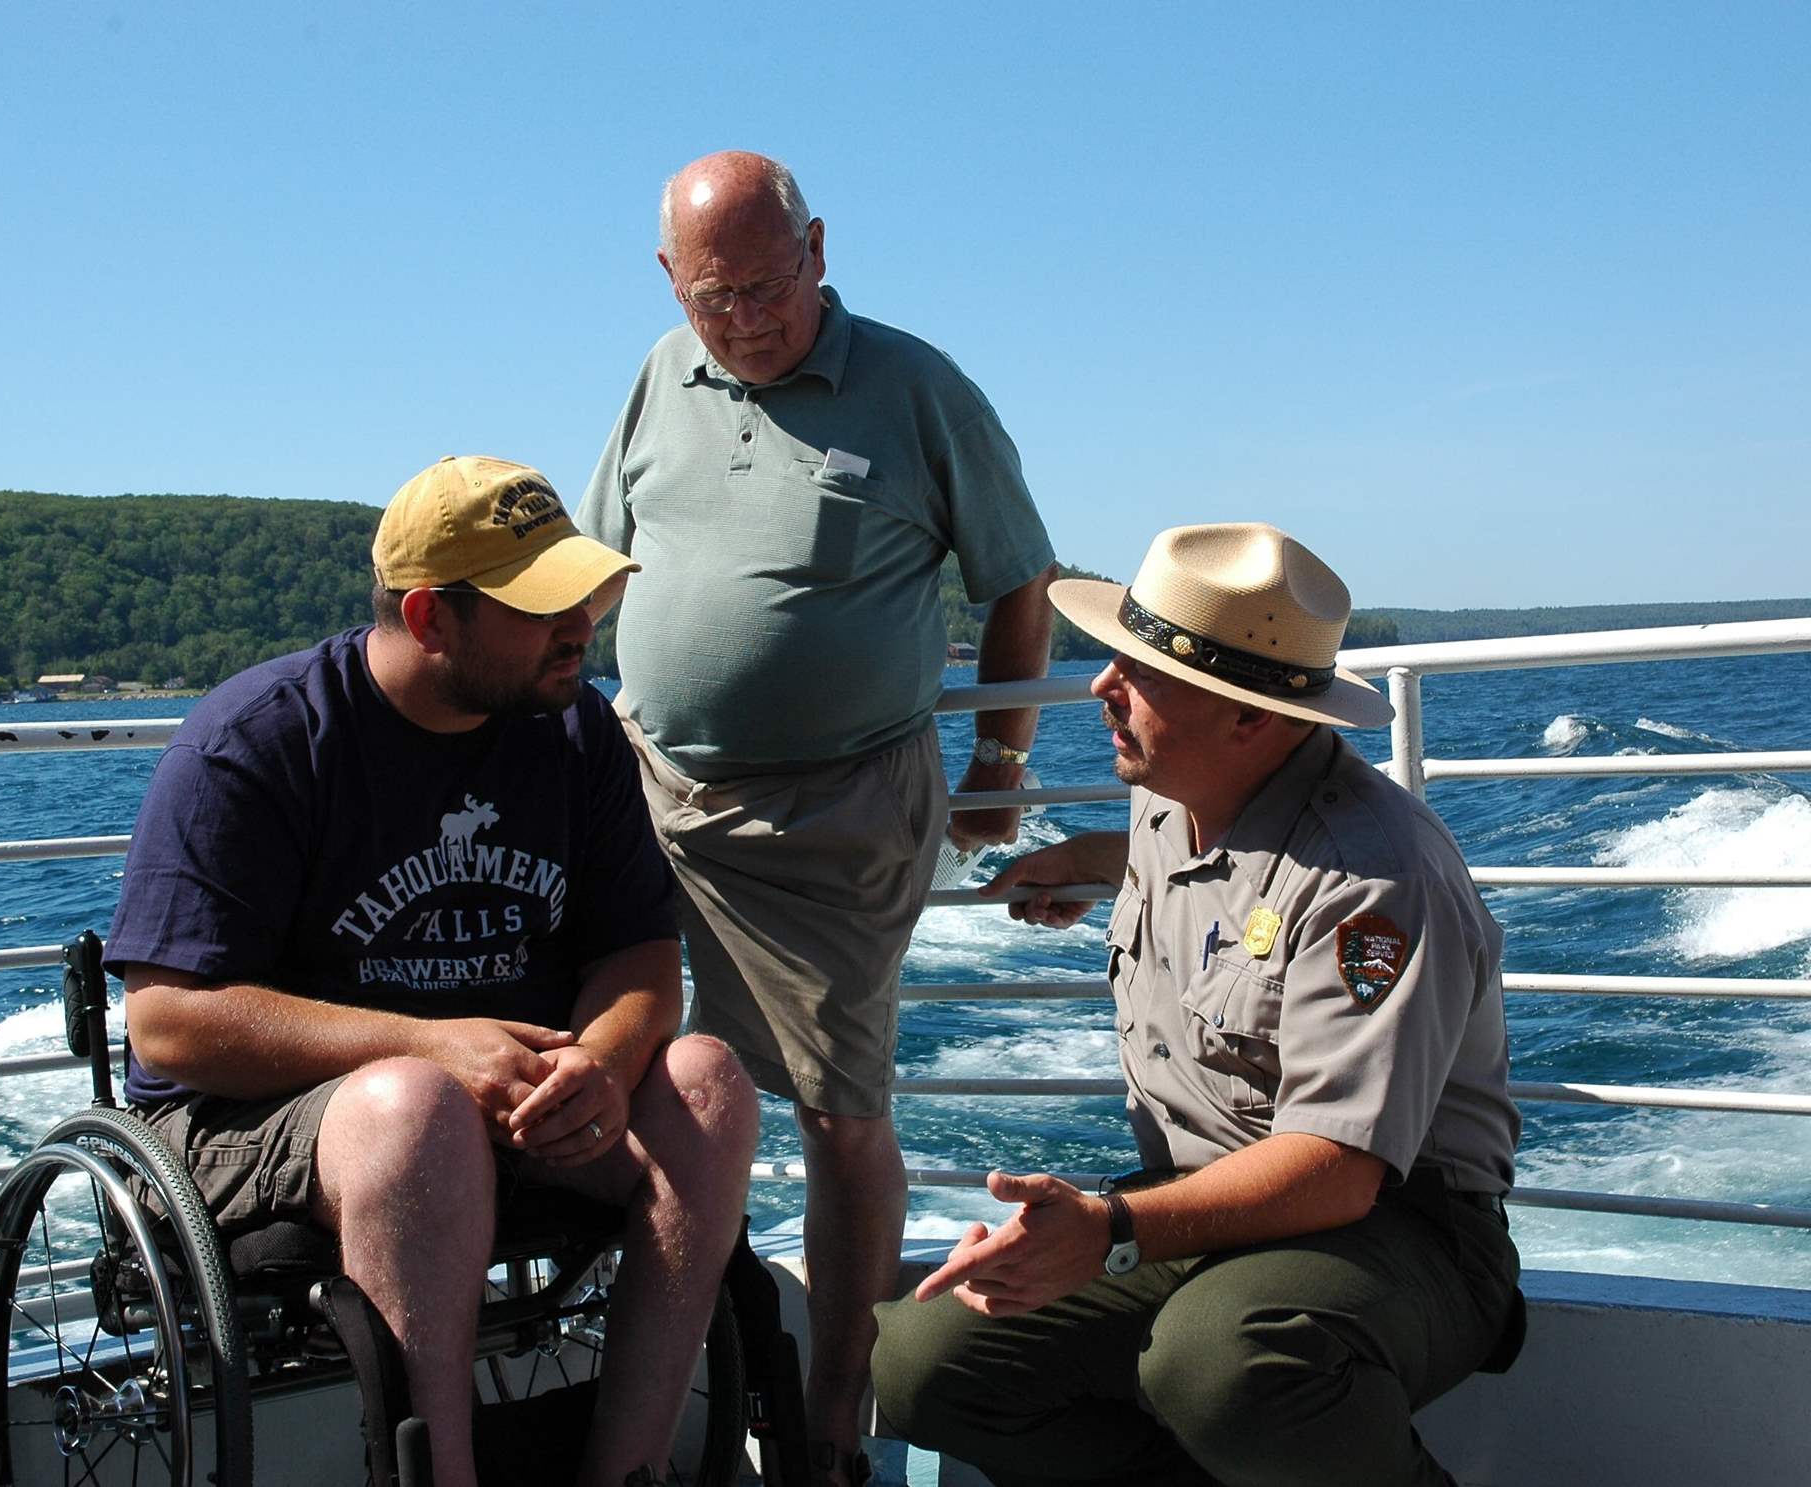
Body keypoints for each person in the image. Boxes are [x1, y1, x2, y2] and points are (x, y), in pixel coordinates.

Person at [106, 455, 761, 1487]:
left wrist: (597, 1057)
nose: (579, 627)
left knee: (707, 1082)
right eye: (539, 607)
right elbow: (169, 1025)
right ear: (429, 618)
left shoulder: (574, 729)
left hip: (509, 1094)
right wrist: (426, 1046)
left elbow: (637, 951)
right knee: (416, 1110)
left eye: (581, 593)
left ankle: (626, 1471)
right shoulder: (257, 745)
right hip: (255, 1124)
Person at [576, 149, 1059, 1485]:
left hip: (838, 813)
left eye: (763, 288)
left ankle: (834, 1419)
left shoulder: (918, 387)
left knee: (841, 1112)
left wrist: (1000, 758)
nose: (739, 320)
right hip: (650, 790)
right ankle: (681, 1384)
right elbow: (602, 571)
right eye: (710, 296)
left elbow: (1023, 582)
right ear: (668, 281)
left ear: (820, 250)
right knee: (635, 1082)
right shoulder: (655, 377)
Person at [870, 522, 1523, 1487]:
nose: (1102, 687)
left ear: (1249, 716)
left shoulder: (1374, 879)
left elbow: (1340, 1170)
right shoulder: (1175, 788)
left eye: (1141, 673)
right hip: (1208, 1206)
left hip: (1400, 1229)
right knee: (928, 1356)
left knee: (1225, 1358)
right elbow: (1206, 876)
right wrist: (1087, 861)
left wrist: (1108, 1230)